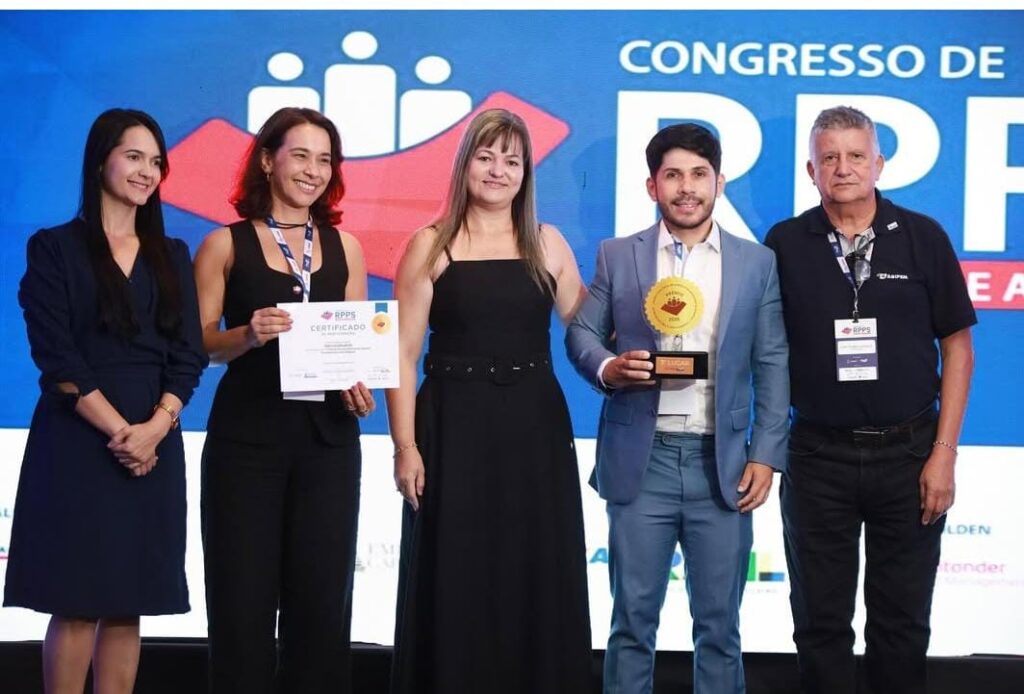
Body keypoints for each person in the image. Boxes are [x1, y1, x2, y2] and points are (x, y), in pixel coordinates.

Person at [566, 123, 789, 694]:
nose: (686, 187)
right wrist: (608, 368)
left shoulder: (756, 262)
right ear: (652, 186)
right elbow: (582, 333)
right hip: (644, 462)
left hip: (724, 465)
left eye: (698, 174)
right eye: (672, 175)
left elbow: (772, 362)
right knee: (631, 624)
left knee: (720, 629)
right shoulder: (619, 255)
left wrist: (766, 454)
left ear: (719, 182)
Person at [764, 106, 976, 694]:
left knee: (902, 624)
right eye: (829, 157)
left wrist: (944, 455)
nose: (844, 168)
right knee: (819, 624)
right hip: (817, 458)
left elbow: (959, 350)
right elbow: (763, 351)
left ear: (879, 163)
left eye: (856, 155)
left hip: (910, 456)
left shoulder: (924, 237)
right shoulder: (785, 243)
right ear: (811, 170)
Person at [387, 108, 592, 693]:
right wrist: (405, 447)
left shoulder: (548, 243)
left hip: (534, 429)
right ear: (464, 165)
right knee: (456, 569)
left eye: (512, 160)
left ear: (526, 173)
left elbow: (587, 331)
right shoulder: (429, 244)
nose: (498, 171)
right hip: (452, 428)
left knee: (534, 567)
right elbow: (401, 354)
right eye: (486, 157)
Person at [3, 108, 207, 694]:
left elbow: (188, 355)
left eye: (156, 161)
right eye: (134, 156)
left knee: (127, 601)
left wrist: (156, 427)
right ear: (100, 162)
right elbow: (57, 357)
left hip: (155, 439)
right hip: (78, 439)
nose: (147, 171)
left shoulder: (172, 253)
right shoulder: (54, 247)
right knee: (75, 601)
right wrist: (125, 433)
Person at [193, 106, 373, 694]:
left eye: (325, 160)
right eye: (301, 155)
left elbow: (355, 342)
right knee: (240, 602)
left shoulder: (346, 246)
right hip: (246, 444)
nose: (313, 170)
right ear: (268, 160)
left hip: (329, 444)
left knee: (321, 605)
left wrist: (359, 387)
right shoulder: (224, 243)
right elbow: (199, 344)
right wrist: (246, 335)